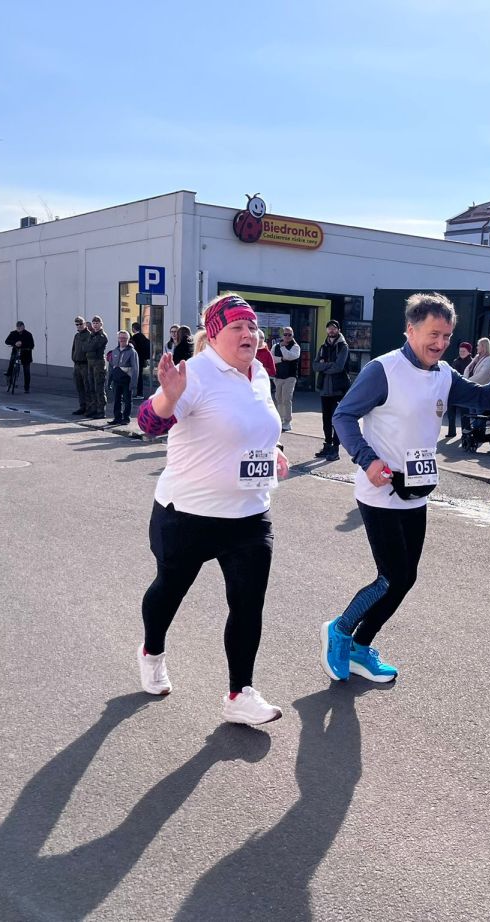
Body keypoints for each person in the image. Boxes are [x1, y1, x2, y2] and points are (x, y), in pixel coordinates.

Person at [322, 292, 490, 683]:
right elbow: (343, 416)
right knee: (391, 577)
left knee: (406, 577)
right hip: (380, 491)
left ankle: (361, 647)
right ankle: (340, 629)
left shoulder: (444, 374)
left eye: (447, 336)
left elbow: (485, 401)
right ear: (411, 330)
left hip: (416, 491)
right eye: (434, 334)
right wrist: (368, 460)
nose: (440, 343)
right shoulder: (383, 370)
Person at [135, 293, 288, 726]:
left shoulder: (259, 372)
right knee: (169, 590)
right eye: (237, 327)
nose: (248, 334)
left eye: (252, 327)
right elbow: (148, 424)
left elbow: (253, 427)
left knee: (247, 604)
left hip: (249, 515)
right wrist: (167, 399)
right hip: (188, 514)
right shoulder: (195, 374)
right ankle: (151, 652)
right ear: (215, 334)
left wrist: (274, 450)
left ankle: (240, 693)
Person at [313, 320, 350, 459]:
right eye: (329, 328)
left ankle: (335, 449)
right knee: (326, 420)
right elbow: (315, 366)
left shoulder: (343, 346)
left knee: (337, 420)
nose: (331, 330)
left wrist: (324, 367)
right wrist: (329, 365)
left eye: (334, 328)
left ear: (338, 330)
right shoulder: (323, 347)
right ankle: (327, 445)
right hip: (325, 389)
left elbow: (339, 367)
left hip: (338, 389)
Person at [271, 325, 302, 431]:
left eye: (289, 335)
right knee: (278, 399)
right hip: (278, 376)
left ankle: (287, 422)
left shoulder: (296, 347)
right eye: (285, 334)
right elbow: (272, 359)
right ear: (282, 335)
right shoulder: (275, 346)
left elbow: (290, 356)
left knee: (286, 399)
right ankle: (279, 420)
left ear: (292, 335)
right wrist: (282, 359)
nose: (287, 336)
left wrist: (283, 348)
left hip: (290, 377)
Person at [107, 329, 140, 425]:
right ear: (118, 338)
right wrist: (109, 381)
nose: (122, 339)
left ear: (128, 339)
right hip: (116, 380)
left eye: (124, 338)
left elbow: (135, 368)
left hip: (127, 380)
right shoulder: (114, 351)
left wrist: (133, 383)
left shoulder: (132, 352)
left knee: (127, 400)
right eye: (120, 337)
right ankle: (117, 418)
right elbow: (111, 367)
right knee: (116, 400)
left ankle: (126, 418)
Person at [445, 341, 473, 437]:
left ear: (469, 352)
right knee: (451, 412)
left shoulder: (472, 363)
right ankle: (451, 432)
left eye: (463, 351)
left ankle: (466, 432)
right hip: (453, 390)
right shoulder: (455, 361)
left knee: (464, 413)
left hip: (464, 391)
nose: (461, 353)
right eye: (460, 351)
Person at [83, 315, 108, 419]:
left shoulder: (102, 336)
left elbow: (91, 347)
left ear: (101, 324)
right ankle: (94, 409)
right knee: (91, 386)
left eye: (97, 323)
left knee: (99, 388)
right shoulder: (92, 335)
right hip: (90, 362)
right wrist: (88, 346)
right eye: (94, 323)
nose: (95, 325)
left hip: (98, 362)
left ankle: (101, 411)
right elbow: (84, 347)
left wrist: (88, 346)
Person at [4, 321, 35, 393]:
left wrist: (22, 344)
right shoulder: (13, 333)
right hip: (16, 353)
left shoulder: (28, 334)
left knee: (26, 371)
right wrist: (14, 343)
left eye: (20, 327)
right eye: (18, 327)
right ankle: (9, 377)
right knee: (11, 362)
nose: (19, 329)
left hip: (26, 354)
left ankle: (26, 388)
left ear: (23, 327)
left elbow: (32, 345)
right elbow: (6, 341)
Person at [71, 315, 91, 415]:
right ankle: (82, 406)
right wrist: (74, 358)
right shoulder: (77, 336)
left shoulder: (89, 335)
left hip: (85, 365)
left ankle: (89, 407)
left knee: (87, 387)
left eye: (80, 324)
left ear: (84, 324)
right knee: (79, 387)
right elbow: (73, 348)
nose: (79, 326)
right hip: (77, 364)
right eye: (77, 324)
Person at [130, 322, 153, 398]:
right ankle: (140, 393)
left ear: (133, 328)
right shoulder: (143, 337)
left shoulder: (134, 338)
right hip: (142, 359)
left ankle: (138, 393)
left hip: (136, 359)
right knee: (140, 376)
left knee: (137, 376)